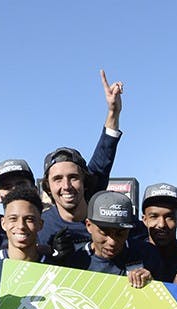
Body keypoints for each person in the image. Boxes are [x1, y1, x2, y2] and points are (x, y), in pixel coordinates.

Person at [37, 70, 126, 254]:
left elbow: (105, 154)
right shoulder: (40, 226)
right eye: (57, 179)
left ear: (85, 182)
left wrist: (113, 112)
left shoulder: (100, 209)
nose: (66, 186)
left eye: (73, 177)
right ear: (48, 187)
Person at [140, 183, 177, 278]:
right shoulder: (132, 255)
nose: (161, 224)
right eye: (154, 216)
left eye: (169, 217)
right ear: (144, 219)